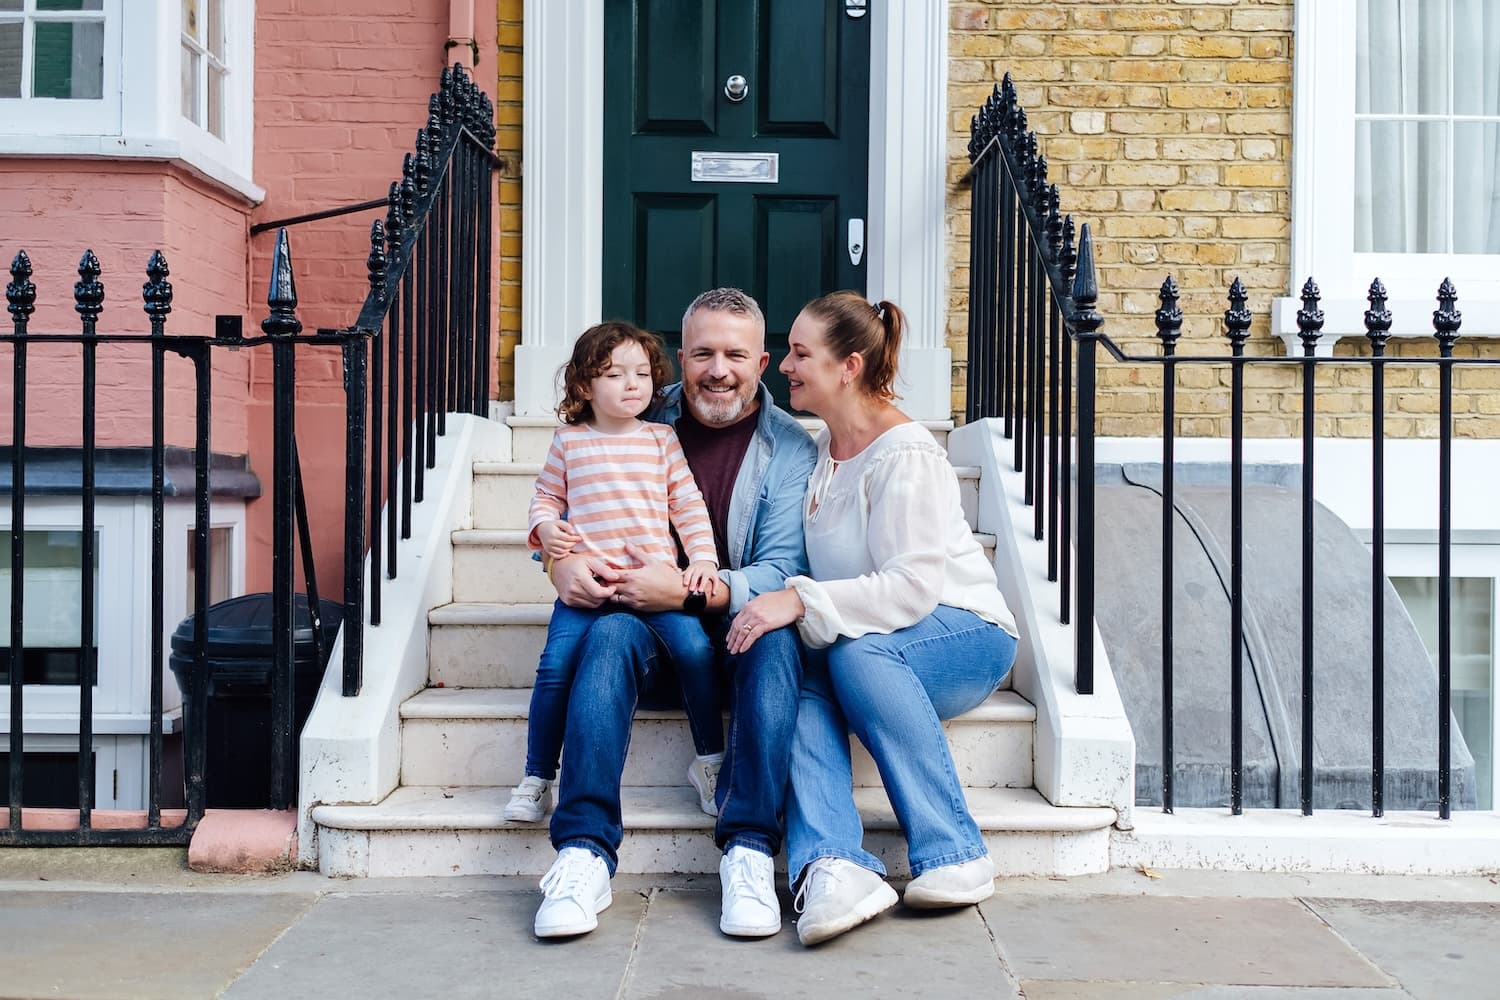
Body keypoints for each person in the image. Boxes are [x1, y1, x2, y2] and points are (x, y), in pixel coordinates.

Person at [728, 290, 1020, 947]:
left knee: (855, 653)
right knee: (803, 674)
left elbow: (912, 589)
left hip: (964, 634)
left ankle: (955, 851)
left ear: (849, 367)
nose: (785, 367)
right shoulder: (819, 450)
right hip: (871, 643)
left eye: (800, 354)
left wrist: (798, 599)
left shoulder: (905, 453)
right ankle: (836, 865)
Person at [532, 288, 817, 940]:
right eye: (703, 353)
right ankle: (583, 853)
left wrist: (686, 593)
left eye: (735, 355)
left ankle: (748, 849)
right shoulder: (629, 410)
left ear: (762, 362)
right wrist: (558, 565)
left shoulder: (790, 449)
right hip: (639, 619)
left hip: (730, 620)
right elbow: (565, 509)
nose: (718, 370)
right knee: (607, 636)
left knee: (776, 640)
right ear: (680, 358)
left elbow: (781, 570)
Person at [504, 322, 725, 825]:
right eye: (614, 374)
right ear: (585, 386)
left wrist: (703, 561)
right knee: (555, 667)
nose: (632, 385)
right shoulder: (569, 441)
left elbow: (687, 505)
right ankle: (537, 778)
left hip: (657, 582)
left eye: (642, 374)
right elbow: (546, 497)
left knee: (695, 652)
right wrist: (545, 529)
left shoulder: (661, 439)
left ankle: (710, 761)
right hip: (589, 588)